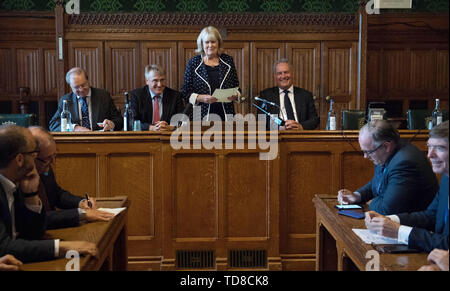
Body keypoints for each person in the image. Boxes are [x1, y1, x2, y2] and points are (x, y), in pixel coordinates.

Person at [0, 124, 97, 263]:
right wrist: (62, 247)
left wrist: (31, 195)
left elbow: (33, 234)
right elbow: (4, 247)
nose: (37, 158)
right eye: (33, 154)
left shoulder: (16, 183)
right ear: (20, 159)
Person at [365, 121, 449, 252]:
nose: (429, 155)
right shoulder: (446, 178)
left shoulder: (405, 159)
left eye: (440, 148)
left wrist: (399, 231)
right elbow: (430, 216)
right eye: (429, 147)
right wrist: (389, 220)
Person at [338, 120, 438, 215]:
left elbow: (386, 210)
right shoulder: (384, 152)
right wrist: (357, 196)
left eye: (368, 152)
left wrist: (372, 202)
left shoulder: (405, 163)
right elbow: (377, 182)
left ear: (386, 146)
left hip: (414, 227)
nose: (365, 156)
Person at [29, 126, 114, 229]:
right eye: (48, 158)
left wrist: (81, 203)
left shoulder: (45, 165)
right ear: (32, 157)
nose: (53, 162)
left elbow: (56, 194)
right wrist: (81, 214)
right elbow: (36, 219)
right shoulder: (17, 180)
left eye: (54, 155)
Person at [181, 26, 240, 122]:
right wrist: (201, 98)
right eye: (207, 42)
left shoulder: (228, 60)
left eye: (213, 42)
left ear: (218, 43)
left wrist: (235, 95)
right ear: (202, 44)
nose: (210, 45)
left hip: (225, 113)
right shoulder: (193, 63)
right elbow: (185, 91)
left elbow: (236, 86)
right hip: (200, 114)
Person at [49, 67, 123, 132]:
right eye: (76, 87)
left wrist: (111, 124)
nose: (81, 89)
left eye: (83, 85)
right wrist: (75, 128)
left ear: (88, 81)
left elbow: (119, 120)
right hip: (75, 142)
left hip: (99, 140)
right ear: (70, 86)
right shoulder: (66, 100)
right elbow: (54, 125)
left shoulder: (103, 96)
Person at [256, 59, 319, 130]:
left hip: (300, 136)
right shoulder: (266, 95)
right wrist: (280, 127)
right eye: (279, 73)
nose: (283, 76)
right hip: (277, 136)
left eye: (286, 72)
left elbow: (314, 120)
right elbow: (261, 120)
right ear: (275, 76)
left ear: (292, 73)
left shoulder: (305, 95)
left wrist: (301, 126)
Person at [129, 65, 185, 131]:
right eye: (155, 80)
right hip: (144, 136)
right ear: (147, 81)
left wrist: (170, 127)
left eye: (162, 80)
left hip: (167, 135)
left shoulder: (175, 96)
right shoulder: (137, 95)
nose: (159, 84)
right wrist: (152, 128)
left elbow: (183, 121)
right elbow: (131, 122)